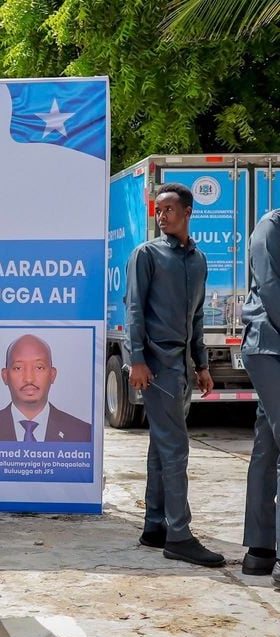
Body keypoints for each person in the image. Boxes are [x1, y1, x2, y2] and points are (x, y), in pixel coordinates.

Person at [126, 182, 222, 568]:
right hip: (157, 365)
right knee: (176, 449)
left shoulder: (198, 261)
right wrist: (136, 360)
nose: (161, 215)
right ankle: (179, 535)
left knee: (161, 447)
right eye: (158, 210)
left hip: (182, 366)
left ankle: (155, 526)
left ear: (187, 212)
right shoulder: (146, 254)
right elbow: (135, 309)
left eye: (168, 209)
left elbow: (196, 316)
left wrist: (202, 364)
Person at [240, 208, 280, 587]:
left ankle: (261, 549)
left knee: (268, 446)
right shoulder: (271, 226)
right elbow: (269, 287)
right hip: (268, 345)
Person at [0, 334, 92, 442]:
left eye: (39, 367)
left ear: (52, 375)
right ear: (5, 376)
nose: (29, 379)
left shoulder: (83, 433)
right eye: (18, 368)